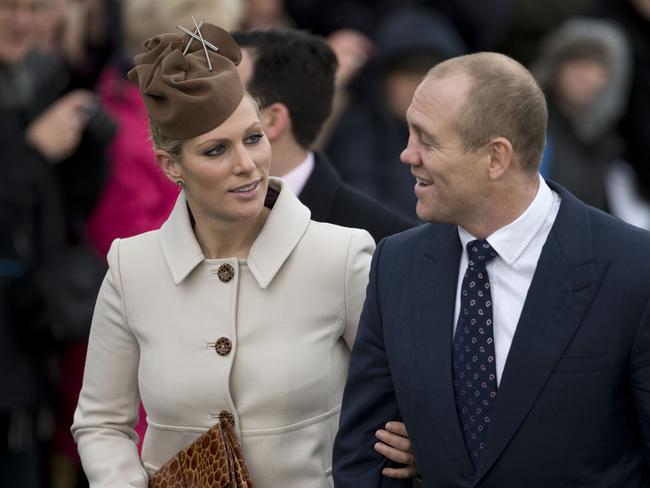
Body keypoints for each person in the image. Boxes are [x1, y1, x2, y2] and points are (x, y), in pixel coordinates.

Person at [71, 21, 415, 487]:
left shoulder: (342, 254)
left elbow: (405, 395)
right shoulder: (132, 268)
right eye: (216, 150)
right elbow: (102, 423)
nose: (247, 164)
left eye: (254, 138)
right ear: (172, 166)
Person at [333, 52, 650, 486]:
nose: (407, 154)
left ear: (496, 157)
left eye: (427, 140)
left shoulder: (633, 270)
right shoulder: (397, 265)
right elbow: (365, 458)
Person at [232, 28, 414, 242]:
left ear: (271, 121)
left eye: (225, 96)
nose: (198, 107)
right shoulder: (189, 211)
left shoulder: (385, 240)